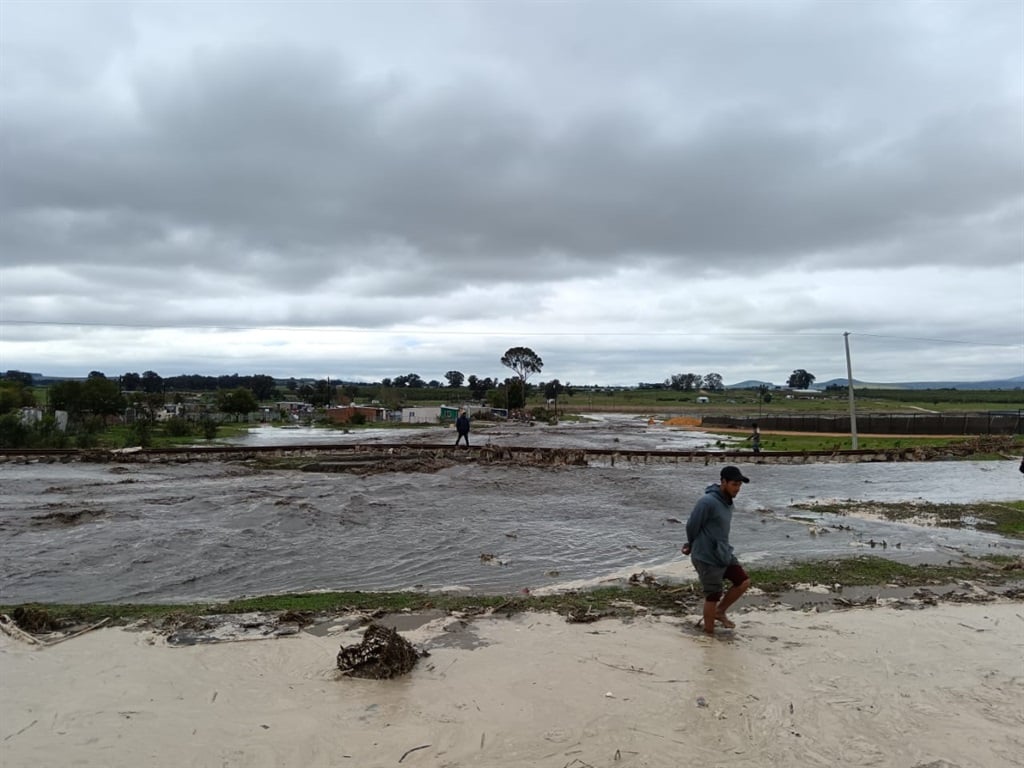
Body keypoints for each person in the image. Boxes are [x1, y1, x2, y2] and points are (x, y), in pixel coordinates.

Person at [681, 465, 752, 635]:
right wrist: (690, 544)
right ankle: (709, 636)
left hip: (723, 553)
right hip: (706, 556)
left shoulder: (727, 502)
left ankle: (720, 612)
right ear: (723, 482)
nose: (738, 489)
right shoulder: (707, 502)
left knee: (743, 582)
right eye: (734, 484)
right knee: (712, 595)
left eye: (740, 485)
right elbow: (692, 525)